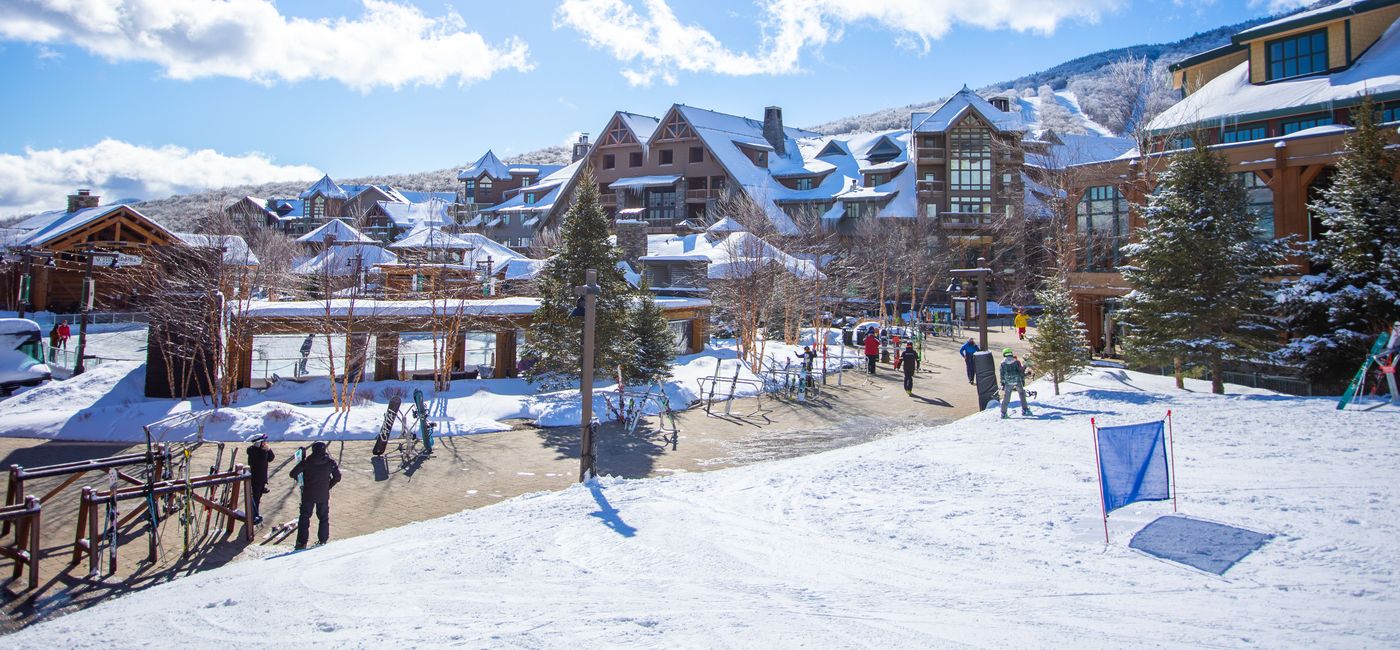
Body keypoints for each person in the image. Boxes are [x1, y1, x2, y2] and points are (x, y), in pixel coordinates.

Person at [288, 441, 341, 549]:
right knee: (323, 517)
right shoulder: (330, 462)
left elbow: (292, 474)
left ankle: (301, 543)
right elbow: (338, 477)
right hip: (323, 494)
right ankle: (323, 540)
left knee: (304, 518)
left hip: (308, 494)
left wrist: (301, 478)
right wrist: (328, 486)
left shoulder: (307, 462)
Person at [246, 434, 274, 525]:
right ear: (258, 443)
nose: (265, 443)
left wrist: (268, 450)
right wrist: (265, 450)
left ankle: (255, 514)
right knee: (255, 498)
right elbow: (260, 459)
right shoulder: (252, 451)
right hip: (255, 478)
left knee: (258, 497)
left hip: (262, 478)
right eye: (263, 442)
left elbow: (271, 458)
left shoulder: (263, 451)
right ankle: (253, 516)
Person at [999, 348, 1032, 419]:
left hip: (1008, 383)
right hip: (1017, 381)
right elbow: (1021, 372)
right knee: (1021, 394)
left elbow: (1002, 374)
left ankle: (1003, 413)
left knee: (1007, 398)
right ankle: (1025, 410)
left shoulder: (1002, 363)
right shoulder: (1016, 362)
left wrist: (1002, 383)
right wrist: (1025, 366)